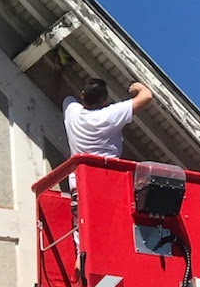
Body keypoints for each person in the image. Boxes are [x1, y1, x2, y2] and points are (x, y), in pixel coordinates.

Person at [61, 77, 153, 274]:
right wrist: (137, 87)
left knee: (84, 227)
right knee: (111, 227)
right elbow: (146, 96)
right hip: (108, 183)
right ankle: (110, 267)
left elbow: (67, 98)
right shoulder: (110, 115)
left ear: (83, 95)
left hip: (81, 185)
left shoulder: (72, 112)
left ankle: (82, 261)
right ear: (104, 101)